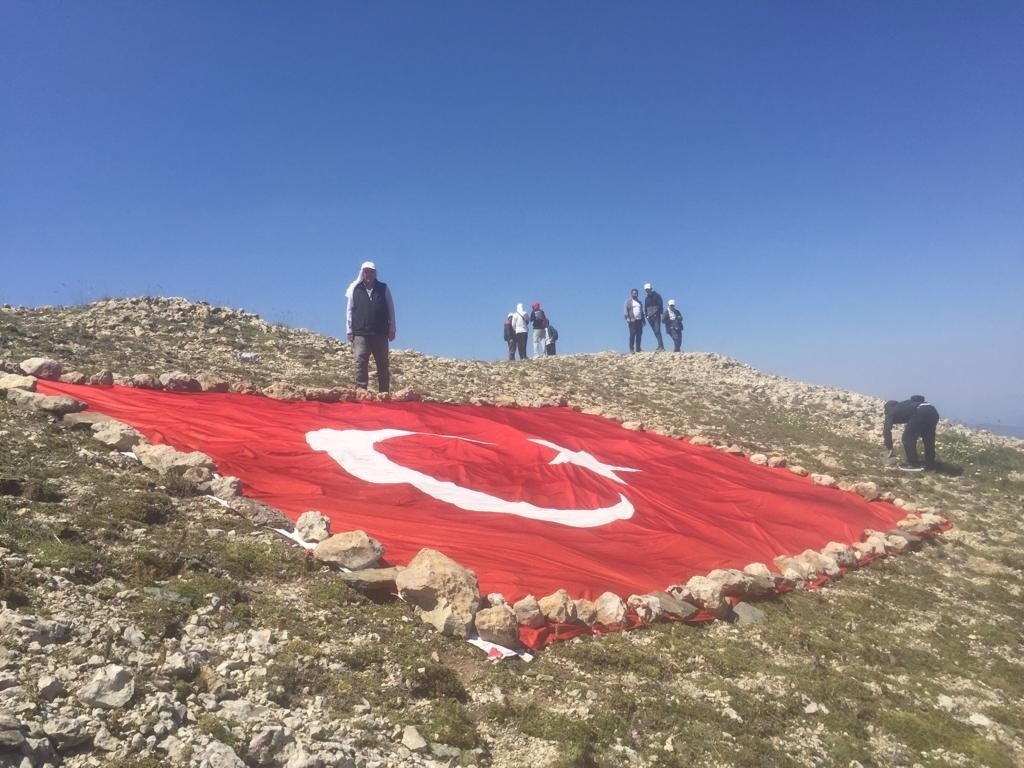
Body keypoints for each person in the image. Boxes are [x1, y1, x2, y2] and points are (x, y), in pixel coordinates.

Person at [345, 261, 396, 392]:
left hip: (380, 332)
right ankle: (361, 390)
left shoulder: (383, 288)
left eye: (371, 271)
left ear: (375, 273)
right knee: (360, 360)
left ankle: (384, 392)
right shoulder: (355, 289)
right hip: (360, 332)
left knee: (383, 363)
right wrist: (349, 330)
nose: (368, 274)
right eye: (366, 271)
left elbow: (391, 308)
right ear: (362, 273)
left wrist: (392, 328)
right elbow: (349, 310)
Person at [883, 395, 940, 471]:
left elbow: (887, 431)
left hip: (921, 412)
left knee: (907, 439)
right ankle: (930, 465)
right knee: (928, 439)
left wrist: (889, 448)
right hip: (932, 411)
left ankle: (913, 464)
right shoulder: (904, 405)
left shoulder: (890, 411)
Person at [643, 283, 665, 351]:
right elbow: (645, 307)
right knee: (655, 331)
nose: (647, 290)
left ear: (651, 289)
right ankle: (659, 345)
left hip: (656, 316)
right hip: (650, 317)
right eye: (646, 289)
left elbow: (660, 305)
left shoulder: (657, 296)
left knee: (658, 331)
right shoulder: (646, 298)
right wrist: (646, 315)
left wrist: (658, 314)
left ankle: (661, 346)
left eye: (648, 289)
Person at [623, 288, 645, 353]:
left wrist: (643, 320)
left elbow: (642, 311)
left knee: (639, 335)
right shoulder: (628, 302)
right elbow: (625, 310)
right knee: (632, 334)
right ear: (631, 294)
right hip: (632, 320)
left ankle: (638, 348)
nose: (635, 294)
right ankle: (631, 348)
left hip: (639, 320)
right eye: (634, 293)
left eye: (636, 293)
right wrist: (627, 318)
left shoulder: (640, 302)